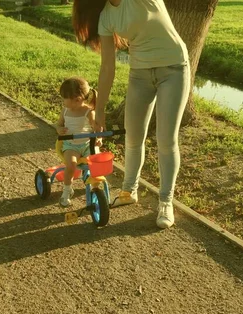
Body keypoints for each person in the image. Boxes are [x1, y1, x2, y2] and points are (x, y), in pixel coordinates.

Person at [72, 0, 191, 229]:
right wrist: (101, 109)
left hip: (174, 70)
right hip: (140, 74)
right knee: (133, 137)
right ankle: (129, 190)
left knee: (166, 140)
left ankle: (166, 201)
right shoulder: (106, 17)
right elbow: (107, 66)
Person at [54, 77, 98, 207]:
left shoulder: (89, 112)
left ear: (77, 99)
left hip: (87, 144)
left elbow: (96, 129)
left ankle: (96, 188)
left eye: (65, 99)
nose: (63, 101)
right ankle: (67, 190)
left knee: (96, 163)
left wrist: (99, 139)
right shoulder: (65, 111)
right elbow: (58, 124)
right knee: (71, 164)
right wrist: (59, 129)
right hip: (70, 144)